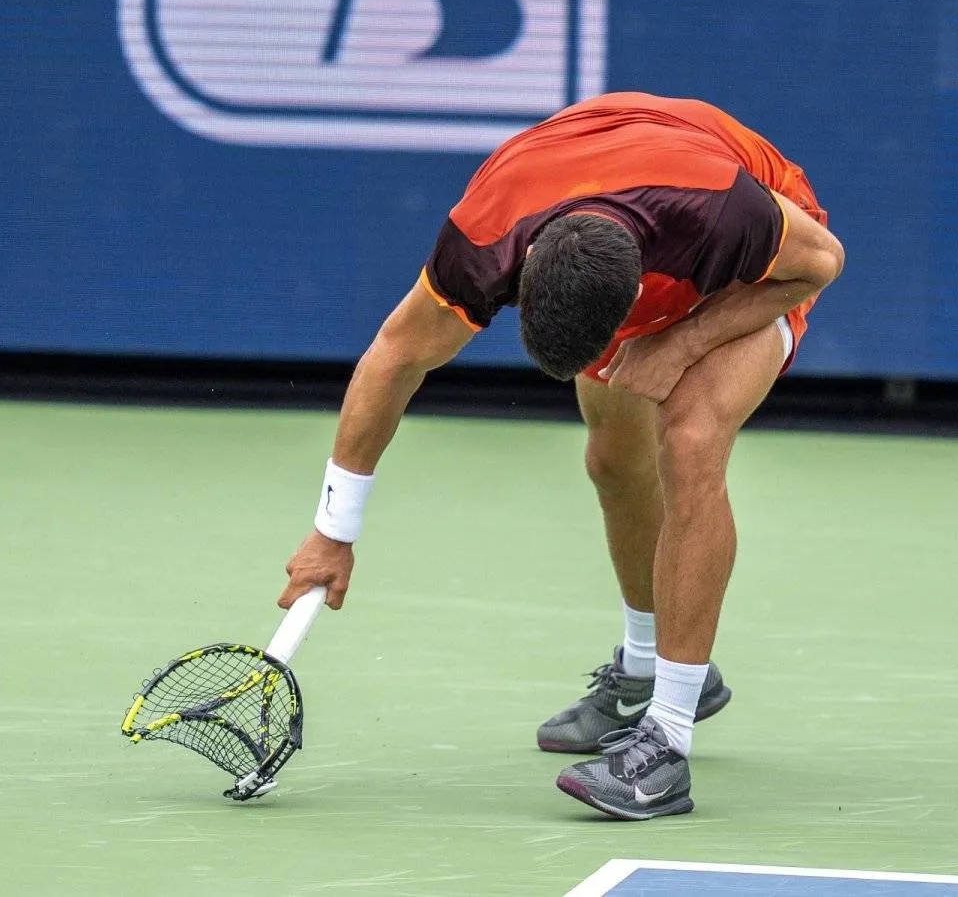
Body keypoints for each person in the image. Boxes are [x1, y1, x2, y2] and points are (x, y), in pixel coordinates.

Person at [276, 91, 844, 820]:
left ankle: (665, 745)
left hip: (756, 263)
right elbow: (395, 355)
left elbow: (822, 263)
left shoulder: (725, 212)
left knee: (690, 438)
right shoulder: (487, 234)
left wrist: (681, 342)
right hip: (613, 204)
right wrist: (333, 531)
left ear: (636, 292)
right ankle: (647, 669)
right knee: (612, 458)